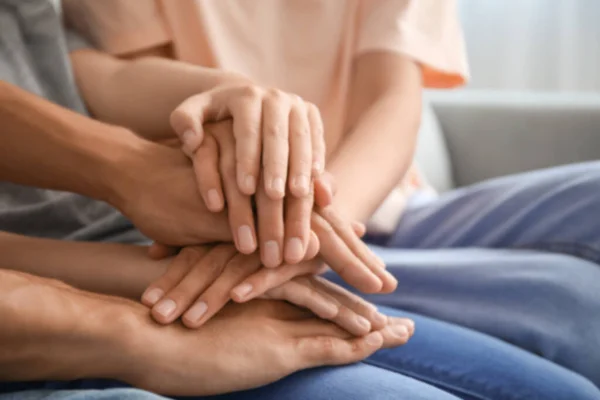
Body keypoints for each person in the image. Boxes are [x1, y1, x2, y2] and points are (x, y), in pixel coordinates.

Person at [1, 1, 599, 400]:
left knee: (566, 321)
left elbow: (85, 76)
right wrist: (147, 306)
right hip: (191, 252)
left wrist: (307, 223)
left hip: (259, 241)